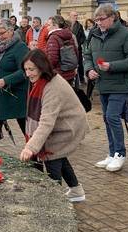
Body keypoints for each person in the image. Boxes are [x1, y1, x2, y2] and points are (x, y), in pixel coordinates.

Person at [19, 49, 89, 202]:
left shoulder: (52, 86)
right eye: (26, 69)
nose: (28, 73)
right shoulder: (39, 82)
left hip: (68, 126)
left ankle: (54, 203)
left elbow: (46, 122)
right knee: (59, 156)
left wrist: (31, 147)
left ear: (42, 67)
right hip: (60, 123)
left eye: (32, 69)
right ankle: (77, 192)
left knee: (52, 155)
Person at [83, 4, 128, 172]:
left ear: (112, 17)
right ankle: (111, 153)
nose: (98, 23)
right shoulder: (94, 35)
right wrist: (89, 70)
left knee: (112, 116)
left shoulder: (127, 35)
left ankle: (120, 154)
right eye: (96, 20)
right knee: (106, 118)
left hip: (122, 84)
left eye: (101, 19)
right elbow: (87, 56)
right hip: (103, 84)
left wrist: (112, 66)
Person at [0, 18, 30, 148]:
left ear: (11, 31)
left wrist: (6, 80)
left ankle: (36, 163)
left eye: (2, 33)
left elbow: (26, 71)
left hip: (16, 97)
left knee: (28, 133)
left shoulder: (20, 47)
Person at [45, 15, 77, 84]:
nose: (47, 27)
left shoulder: (53, 38)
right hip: (70, 73)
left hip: (59, 75)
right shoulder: (69, 36)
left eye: (49, 25)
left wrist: (46, 70)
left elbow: (52, 59)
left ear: (55, 25)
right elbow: (76, 52)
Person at [68, 11, 87, 85]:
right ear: (70, 16)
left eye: (76, 15)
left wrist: (79, 43)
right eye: (74, 15)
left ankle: (81, 79)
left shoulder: (79, 26)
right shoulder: (66, 25)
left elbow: (83, 37)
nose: (76, 17)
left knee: (79, 64)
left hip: (77, 48)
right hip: (68, 48)